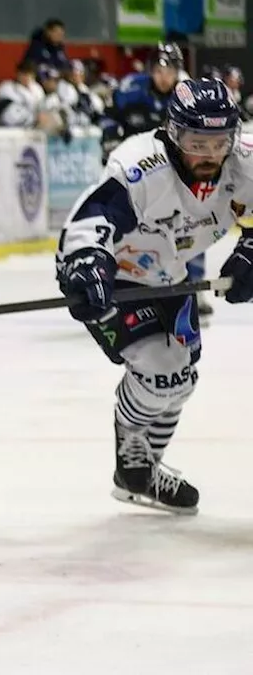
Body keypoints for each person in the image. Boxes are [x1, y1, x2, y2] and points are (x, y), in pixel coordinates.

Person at [56, 78, 253, 515]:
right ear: (173, 133)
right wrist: (86, 262)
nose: (209, 155)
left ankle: (142, 473)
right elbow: (95, 216)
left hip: (171, 274)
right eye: (197, 142)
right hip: (111, 272)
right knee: (163, 371)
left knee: (183, 379)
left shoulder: (244, 163)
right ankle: (131, 461)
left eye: (220, 142)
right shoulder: (143, 167)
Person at [105, 44, 210, 315]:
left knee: (189, 227)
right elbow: (108, 117)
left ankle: (194, 287)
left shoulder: (189, 96)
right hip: (137, 173)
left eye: (170, 70)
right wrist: (109, 141)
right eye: (159, 70)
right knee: (125, 229)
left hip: (178, 175)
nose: (164, 76)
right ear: (151, 70)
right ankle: (124, 287)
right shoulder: (131, 90)